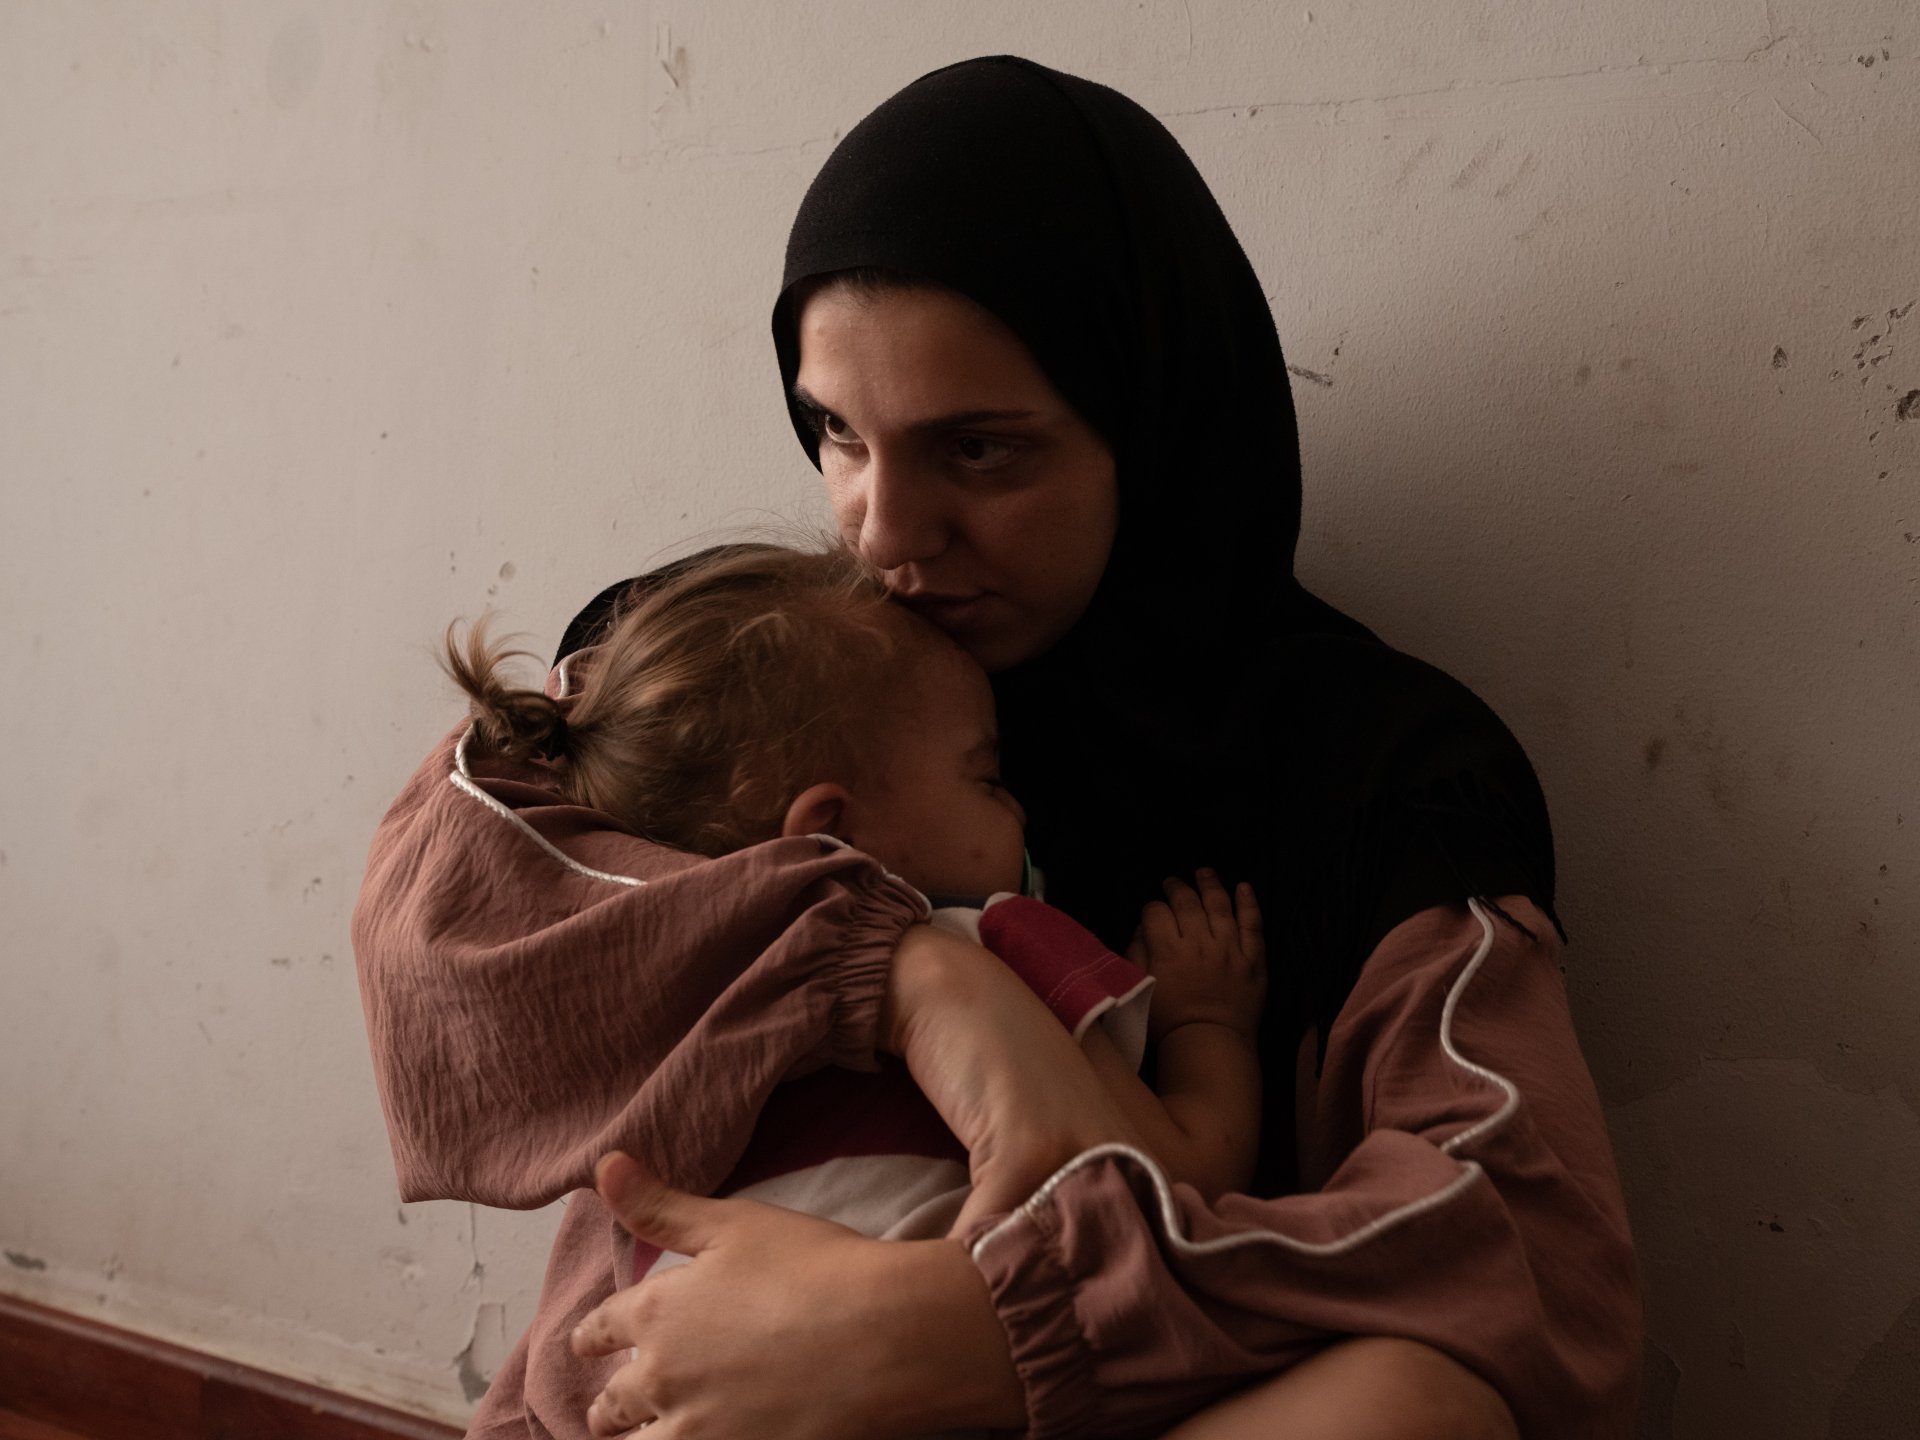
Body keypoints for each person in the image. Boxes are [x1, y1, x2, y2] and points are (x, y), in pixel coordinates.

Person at [556, 55, 1641, 1440]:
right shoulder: (724, 673)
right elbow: (436, 945)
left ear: (1155, 425)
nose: (882, 533)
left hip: (1128, 1403)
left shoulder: (1381, 768)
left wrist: (981, 1335)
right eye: (835, 432)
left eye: (982, 451)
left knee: (1418, 1404)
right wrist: (903, 978)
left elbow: (1534, 1254)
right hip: (674, 1392)